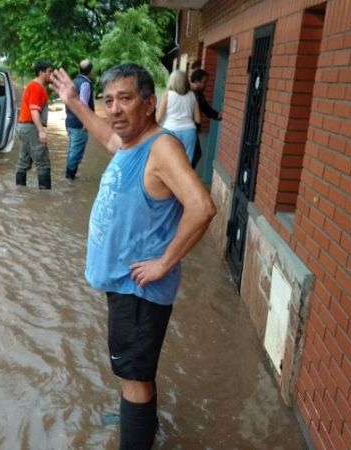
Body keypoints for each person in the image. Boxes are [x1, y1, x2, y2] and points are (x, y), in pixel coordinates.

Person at [50, 64, 216, 449]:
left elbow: (202, 207)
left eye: (125, 98)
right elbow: (106, 135)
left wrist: (163, 263)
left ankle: (136, 430)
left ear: (150, 103)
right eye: (109, 101)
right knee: (135, 371)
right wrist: (75, 103)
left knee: (134, 376)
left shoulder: (161, 146)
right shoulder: (132, 144)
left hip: (140, 288)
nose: (115, 109)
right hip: (126, 286)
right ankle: (140, 421)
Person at [15, 60, 54, 189]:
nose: (51, 74)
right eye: (49, 71)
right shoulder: (37, 88)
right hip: (30, 127)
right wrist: (41, 131)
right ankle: (45, 197)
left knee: (23, 162)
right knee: (43, 162)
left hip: (24, 127)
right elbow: (34, 111)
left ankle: (20, 190)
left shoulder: (32, 86)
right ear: (41, 73)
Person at [155, 69, 201, 163]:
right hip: (189, 132)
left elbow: (158, 118)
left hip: (171, 131)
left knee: (169, 163)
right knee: (186, 164)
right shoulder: (192, 95)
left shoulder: (167, 95)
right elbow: (198, 120)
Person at [64, 59, 95, 180]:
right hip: (79, 123)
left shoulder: (72, 82)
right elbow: (83, 105)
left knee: (72, 149)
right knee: (76, 151)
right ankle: (70, 177)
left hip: (69, 121)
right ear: (90, 71)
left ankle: (70, 176)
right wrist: (86, 122)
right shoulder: (85, 84)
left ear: (79, 69)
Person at [189, 68, 222, 169]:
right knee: (194, 154)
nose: (206, 85)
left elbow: (206, 109)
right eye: (204, 82)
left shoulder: (199, 95)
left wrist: (217, 115)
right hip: (185, 130)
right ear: (197, 82)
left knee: (194, 154)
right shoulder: (187, 93)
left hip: (192, 130)